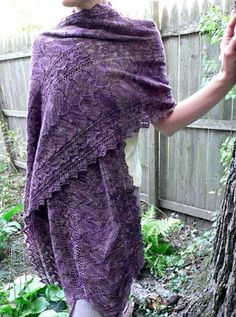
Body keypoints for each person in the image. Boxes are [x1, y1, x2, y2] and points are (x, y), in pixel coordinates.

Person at [22, 0, 236, 317]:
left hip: (112, 208)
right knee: (86, 300)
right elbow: (39, 136)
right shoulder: (47, 45)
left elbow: (168, 121)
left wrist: (225, 78)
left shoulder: (137, 39)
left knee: (99, 302)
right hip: (63, 208)